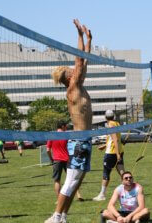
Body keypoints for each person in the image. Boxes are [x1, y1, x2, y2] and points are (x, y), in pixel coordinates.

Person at [46, 19, 93, 223]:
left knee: (75, 181)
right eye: (71, 71)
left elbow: (84, 61)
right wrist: (80, 36)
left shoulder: (78, 85)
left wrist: (89, 40)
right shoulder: (73, 88)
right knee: (71, 181)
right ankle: (56, 216)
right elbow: (80, 61)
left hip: (85, 140)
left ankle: (63, 216)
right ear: (68, 78)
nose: (75, 70)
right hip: (79, 141)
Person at [93, 110, 125, 201]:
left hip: (112, 152)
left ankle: (102, 195)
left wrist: (117, 154)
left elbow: (114, 139)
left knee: (106, 173)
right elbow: (113, 138)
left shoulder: (110, 124)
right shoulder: (117, 123)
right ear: (113, 116)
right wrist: (104, 145)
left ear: (105, 117)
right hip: (119, 150)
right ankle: (128, 188)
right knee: (121, 171)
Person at [46, 121, 69, 200]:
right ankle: (78, 195)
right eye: (66, 126)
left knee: (57, 181)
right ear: (62, 126)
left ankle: (59, 199)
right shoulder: (66, 135)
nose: (67, 128)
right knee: (71, 178)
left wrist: (51, 159)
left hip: (57, 160)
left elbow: (48, 150)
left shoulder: (52, 136)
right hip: (67, 159)